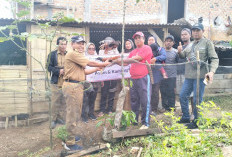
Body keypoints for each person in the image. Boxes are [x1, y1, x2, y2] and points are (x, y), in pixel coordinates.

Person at [62, 36, 110, 150]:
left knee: (74, 113)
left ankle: (70, 135)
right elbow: (90, 63)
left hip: (76, 86)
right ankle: (69, 143)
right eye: (78, 43)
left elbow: (84, 71)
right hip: (73, 86)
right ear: (72, 44)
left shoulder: (76, 56)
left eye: (83, 44)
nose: (81, 46)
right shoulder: (73, 54)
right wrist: (102, 64)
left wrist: (97, 69)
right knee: (72, 114)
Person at [177, 23, 219, 129]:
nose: (195, 32)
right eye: (194, 30)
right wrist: (180, 51)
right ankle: (186, 117)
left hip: (202, 76)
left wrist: (212, 72)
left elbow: (214, 59)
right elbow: (183, 56)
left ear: (202, 31)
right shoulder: (190, 44)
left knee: (197, 99)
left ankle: (197, 121)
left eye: (198, 30)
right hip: (189, 76)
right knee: (182, 95)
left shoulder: (207, 43)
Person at [115, 32, 153, 129]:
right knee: (134, 101)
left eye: (139, 38)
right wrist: (116, 61)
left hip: (143, 77)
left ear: (143, 39)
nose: (137, 40)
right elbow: (126, 63)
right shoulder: (133, 51)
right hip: (133, 79)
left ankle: (145, 123)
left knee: (145, 101)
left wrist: (123, 60)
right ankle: (135, 121)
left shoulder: (147, 48)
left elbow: (137, 58)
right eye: (135, 38)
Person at [47, 37, 67, 129]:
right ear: (58, 45)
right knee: (55, 102)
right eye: (61, 44)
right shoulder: (52, 54)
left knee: (63, 101)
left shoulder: (69, 55)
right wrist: (59, 71)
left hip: (66, 82)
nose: (63, 46)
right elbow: (49, 67)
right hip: (56, 81)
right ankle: (53, 120)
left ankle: (60, 118)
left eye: (65, 44)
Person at [98, 37, 119, 116]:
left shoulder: (115, 51)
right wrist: (106, 49)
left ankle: (110, 109)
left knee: (112, 92)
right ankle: (102, 110)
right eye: (108, 44)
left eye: (110, 44)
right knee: (104, 92)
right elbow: (102, 59)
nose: (109, 46)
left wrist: (114, 48)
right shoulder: (101, 51)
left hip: (113, 75)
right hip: (104, 75)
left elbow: (117, 57)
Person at [176, 28, 194, 120]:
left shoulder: (193, 46)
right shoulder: (179, 48)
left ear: (190, 35)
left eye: (185, 34)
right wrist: (178, 51)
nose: (183, 36)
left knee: (192, 95)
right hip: (179, 73)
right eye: (182, 34)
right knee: (182, 95)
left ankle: (194, 113)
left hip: (189, 74)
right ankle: (185, 113)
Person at [81, 43, 101, 123]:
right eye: (90, 48)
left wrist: (101, 80)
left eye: (93, 49)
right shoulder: (83, 58)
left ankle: (91, 113)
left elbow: (101, 70)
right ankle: (84, 115)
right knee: (85, 99)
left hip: (96, 82)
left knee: (93, 99)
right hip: (86, 82)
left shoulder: (97, 58)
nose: (92, 50)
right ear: (87, 49)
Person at [160, 35, 179, 111]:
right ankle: (164, 107)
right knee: (163, 91)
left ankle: (172, 107)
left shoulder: (176, 52)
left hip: (172, 75)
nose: (168, 42)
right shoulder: (161, 51)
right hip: (162, 75)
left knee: (171, 91)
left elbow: (178, 62)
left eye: (170, 41)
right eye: (167, 41)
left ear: (173, 43)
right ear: (164, 42)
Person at [149, 41, 167, 115]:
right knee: (148, 92)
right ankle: (148, 109)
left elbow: (164, 57)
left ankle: (154, 109)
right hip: (148, 76)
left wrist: (155, 59)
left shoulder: (160, 50)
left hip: (157, 76)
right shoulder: (147, 51)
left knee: (155, 92)